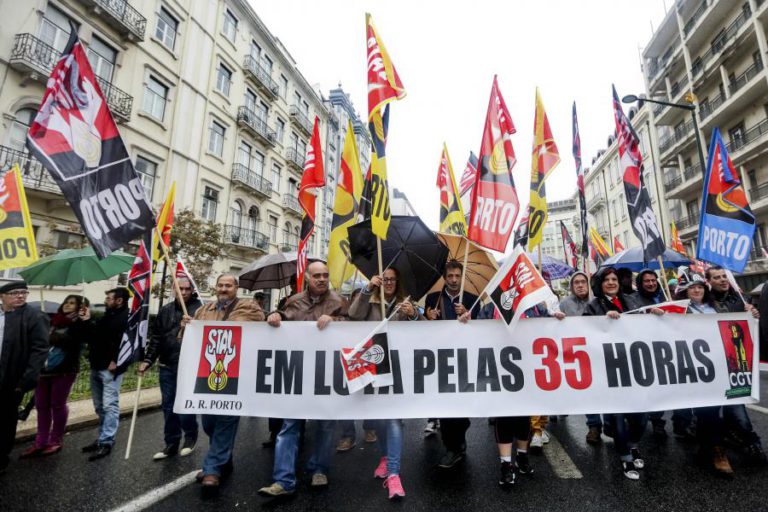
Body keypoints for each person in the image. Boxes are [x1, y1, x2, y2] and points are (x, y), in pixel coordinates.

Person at [259, 261, 349, 497]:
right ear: (307, 278)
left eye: (325, 275)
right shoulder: (293, 301)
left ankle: (319, 468)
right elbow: (282, 319)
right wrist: (274, 315)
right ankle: (283, 480)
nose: (322, 279)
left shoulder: (339, 302)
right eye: (317, 275)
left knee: (325, 425)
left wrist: (336, 321)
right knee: (290, 426)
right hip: (297, 374)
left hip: (326, 374)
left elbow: (353, 327)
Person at [180, 273, 264, 495]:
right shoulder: (203, 310)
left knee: (226, 419)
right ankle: (223, 459)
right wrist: (187, 326)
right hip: (208, 374)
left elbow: (239, 328)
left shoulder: (249, 307)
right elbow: (187, 339)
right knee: (209, 423)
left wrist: (204, 327)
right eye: (220, 285)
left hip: (236, 373)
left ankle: (212, 470)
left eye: (228, 285)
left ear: (236, 288)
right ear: (215, 287)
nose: (224, 288)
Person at [348, 267, 419, 499]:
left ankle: (394, 474)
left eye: (392, 280)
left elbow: (426, 330)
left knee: (393, 419)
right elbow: (354, 315)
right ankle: (386, 458)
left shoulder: (407, 302)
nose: (388, 283)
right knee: (378, 420)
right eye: (385, 279)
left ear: (398, 282)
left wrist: (413, 315)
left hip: (398, 369)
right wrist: (368, 290)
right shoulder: (369, 298)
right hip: (374, 367)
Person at [583, 267, 647, 480]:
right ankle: (626, 458)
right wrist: (603, 320)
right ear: (600, 284)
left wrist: (654, 316)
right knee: (618, 416)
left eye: (614, 279)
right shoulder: (593, 306)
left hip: (634, 367)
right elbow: (584, 331)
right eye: (606, 280)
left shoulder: (632, 301)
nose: (611, 282)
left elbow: (642, 325)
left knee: (640, 418)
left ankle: (632, 444)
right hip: (609, 370)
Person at [705, 266, 766, 465]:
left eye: (724, 276)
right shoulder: (705, 304)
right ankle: (715, 448)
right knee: (710, 410)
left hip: (735, 364)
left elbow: (751, 330)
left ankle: (750, 441)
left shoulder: (741, 301)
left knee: (736, 406)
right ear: (709, 282)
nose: (722, 280)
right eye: (717, 277)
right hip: (711, 366)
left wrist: (753, 314)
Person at [674, 270, 734, 475]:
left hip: (719, 366)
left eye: (700, 286)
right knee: (702, 410)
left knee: (713, 409)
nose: (697, 290)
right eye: (692, 287)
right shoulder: (677, 310)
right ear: (685, 291)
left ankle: (716, 450)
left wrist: (749, 314)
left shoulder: (717, 307)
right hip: (692, 368)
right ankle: (709, 448)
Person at [139, 278, 203, 461]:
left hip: (189, 366)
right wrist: (148, 360)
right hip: (167, 364)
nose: (183, 292)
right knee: (168, 406)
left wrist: (191, 327)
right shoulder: (165, 310)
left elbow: (205, 336)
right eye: (179, 289)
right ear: (174, 289)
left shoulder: (200, 310)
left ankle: (190, 436)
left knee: (185, 405)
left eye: (186, 289)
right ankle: (171, 442)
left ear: (192, 290)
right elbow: (157, 337)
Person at [423, 261, 479, 469]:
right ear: (445, 277)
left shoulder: (472, 300)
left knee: (462, 406)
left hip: (464, 359)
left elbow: (483, 327)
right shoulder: (432, 298)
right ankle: (451, 448)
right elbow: (422, 327)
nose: (454, 280)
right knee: (445, 405)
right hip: (440, 360)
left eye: (457, 276)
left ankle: (459, 438)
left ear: (461, 277)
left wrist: (468, 315)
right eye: (450, 276)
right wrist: (428, 317)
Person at [20, 295, 86, 458]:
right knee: (41, 406)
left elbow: (76, 342)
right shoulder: (52, 321)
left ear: (79, 307)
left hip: (64, 371)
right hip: (43, 370)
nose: (67, 305)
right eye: (66, 302)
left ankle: (55, 440)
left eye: (72, 303)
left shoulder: (79, 324)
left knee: (57, 405)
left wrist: (83, 322)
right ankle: (40, 442)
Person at [73, 287, 129, 461]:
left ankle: (106, 441)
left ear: (119, 301)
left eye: (109, 298)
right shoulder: (107, 316)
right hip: (97, 366)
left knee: (110, 405)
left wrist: (116, 361)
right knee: (99, 406)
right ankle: (102, 437)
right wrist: (86, 320)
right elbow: (94, 337)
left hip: (111, 368)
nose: (106, 300)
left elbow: (125, 342)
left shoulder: (126, 317)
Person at [0, 281, 49, 475]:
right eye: (14, 293)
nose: (20, 296)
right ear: (2, 296)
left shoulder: (34, 316)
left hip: (12, 380)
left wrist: (25, 381)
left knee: (5, 420)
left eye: (23, 292)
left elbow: (40, 350)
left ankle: (1, 457)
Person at [558, 271, 603, 444]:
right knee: (589, 392)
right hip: (578, 355)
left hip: (599, 352)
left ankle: (610, 422)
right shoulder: (564, 305)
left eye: (583, 281)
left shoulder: (599, 301)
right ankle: (594, 425)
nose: (580, 285)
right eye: (576, 282)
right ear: (571, 287)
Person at [629, 269, 670, 438]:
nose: (651, 283)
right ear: (641, 283)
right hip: (643, 351)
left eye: (654, 280)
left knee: (660, 388)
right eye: (647, 281)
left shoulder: (665, 297)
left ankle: (657, 421)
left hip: (663, 348)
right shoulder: (634, 300)